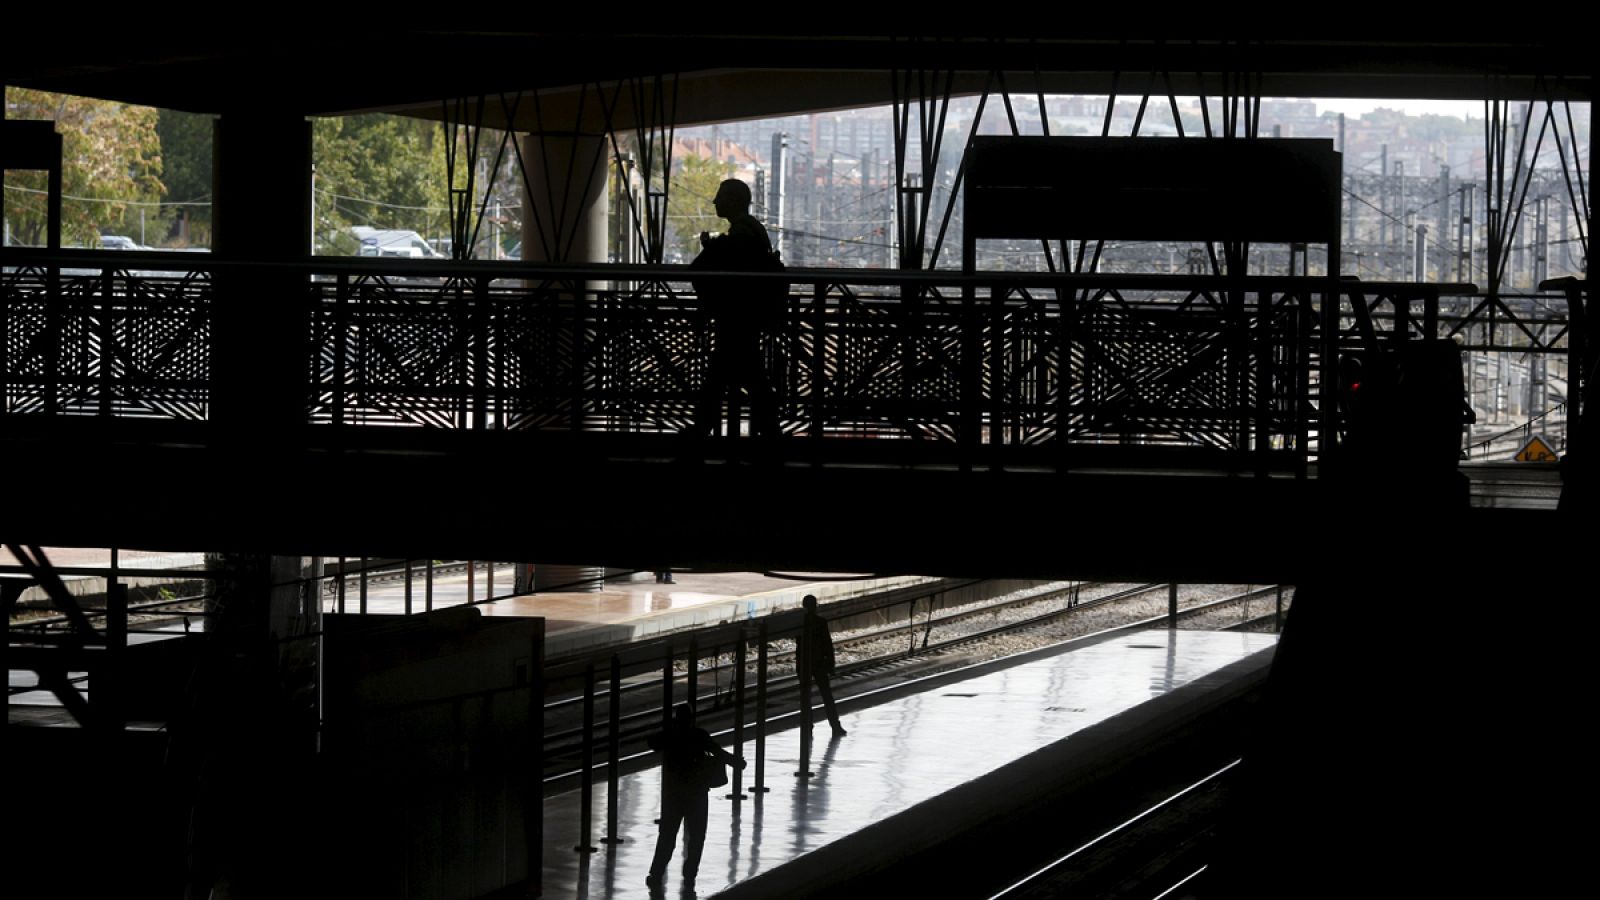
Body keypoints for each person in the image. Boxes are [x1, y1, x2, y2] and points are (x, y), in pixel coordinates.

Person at [688, 178, 784, 439]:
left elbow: (706, 269)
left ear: (732, 201)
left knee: (722, 383)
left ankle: (698, 440)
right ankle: (771, 439)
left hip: (735, 320)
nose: (715, 201)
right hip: (746, 319)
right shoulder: (752, 230)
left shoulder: (741, 234)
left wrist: (713, 249)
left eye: (720, 196)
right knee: (748, 381)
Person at [646, 703, 746, 891]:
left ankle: (656, 873)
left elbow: (651, 742)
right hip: (697, 794)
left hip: (673, 795)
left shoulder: (670, 736)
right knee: (697, 836)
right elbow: (718, 752)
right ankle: (690, 873)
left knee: (667, 836)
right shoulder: (699, 735)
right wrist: (737, 762)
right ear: (691, 719)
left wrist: (669, 730)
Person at [800, 594, 846, 736]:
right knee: (827, 696)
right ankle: (835, 726)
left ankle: (808, 726)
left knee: (806, 698)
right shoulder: (821, 622)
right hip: (820, 663)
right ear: (815, 606)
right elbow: (827, 644)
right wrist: (831, 664)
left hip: (804, 664)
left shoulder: (800, 623)